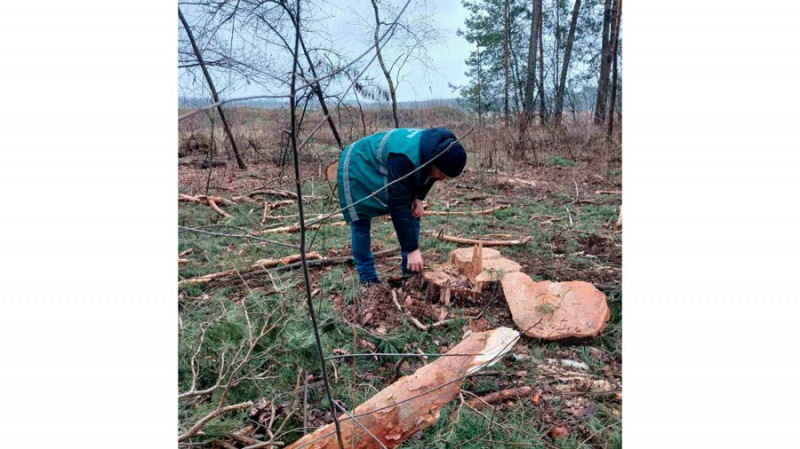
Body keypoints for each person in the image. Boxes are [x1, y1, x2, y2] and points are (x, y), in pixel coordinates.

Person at [336, 127, 467, 284]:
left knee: (413, 212)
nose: (442, 179)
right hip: (357, 163)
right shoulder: (404, 159)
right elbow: (398, 205)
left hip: (387, 164)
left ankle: (410, 272)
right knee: (361, 222)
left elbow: (429, 175)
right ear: (434, 162)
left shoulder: (440, 149)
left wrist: (419, 197)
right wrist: (412, 249)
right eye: (442, 174)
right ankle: (368, 277)